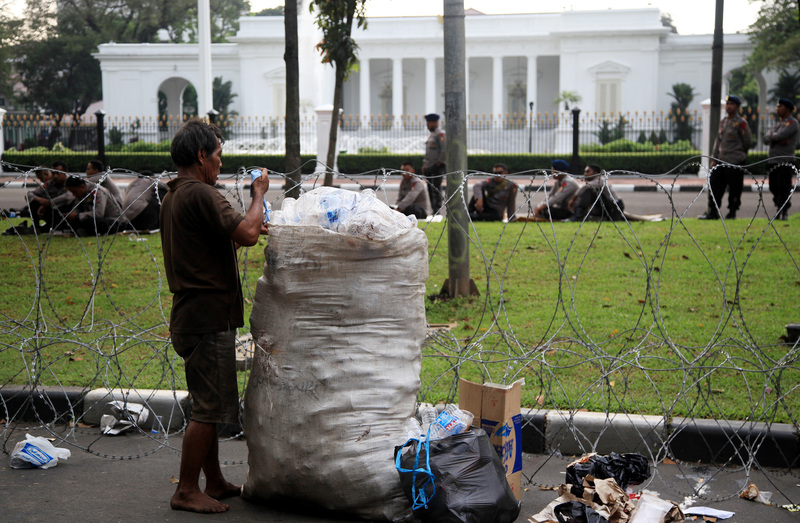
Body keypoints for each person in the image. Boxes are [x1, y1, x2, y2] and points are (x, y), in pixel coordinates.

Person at [160, 118, 269, 514]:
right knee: (209, 409)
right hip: (208, 316)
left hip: (189, 314)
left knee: (204, 401)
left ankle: (215, 481)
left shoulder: (175, 195)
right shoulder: (203, 194)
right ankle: (187, 490)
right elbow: (247, 234)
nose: (220, 163)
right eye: (218, 155)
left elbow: (214, 240)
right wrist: (258, 195)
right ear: (202, 155)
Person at [701, 95, 752, 220]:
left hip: (734, 161)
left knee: (734, 189)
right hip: (720, 160)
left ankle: (732, 212)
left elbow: (747, 142)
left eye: (732, 104)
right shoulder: (723, 122)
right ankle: (713, 212)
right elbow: (718, 142)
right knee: (714, 186)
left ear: (737, 107)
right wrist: (714, 158)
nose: (728, 106)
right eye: (727, 104)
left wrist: (739, 155)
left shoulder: (741, 123)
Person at [763, 97, 798, 221]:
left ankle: (784, 210)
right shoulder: (777, 124)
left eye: (780, 106)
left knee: (784, 186)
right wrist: (776, 138)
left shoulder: (793, 123)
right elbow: (765, 139)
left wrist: (774, 137)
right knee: (773, 186)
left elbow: (782, 135)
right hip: (773, 160)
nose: (777, 109)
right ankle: (779, 205)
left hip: (785, 160)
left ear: (787, 109)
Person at [25, 160, 75, 232]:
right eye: (53, 173)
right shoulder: (50, 183)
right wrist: (39, 199)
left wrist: (49, 203)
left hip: (64, 210)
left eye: (58, 173)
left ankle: (58, 226)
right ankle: (36, 228)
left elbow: (68, 197)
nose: (55, 176)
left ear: (65, 173)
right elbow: (29, 194)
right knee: (34, 203)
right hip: (51, 210)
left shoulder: (71, 182)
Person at [421, 113, 445, 211]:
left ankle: (437, 209)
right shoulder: (432, 134)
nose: (427, 125)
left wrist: (439, 162)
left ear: (434, 122)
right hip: (429, 166)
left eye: (428, 122)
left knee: (436, 188)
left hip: (436, 166)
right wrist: (425, 165)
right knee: (430, 188)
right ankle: (433, 209)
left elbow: (444, 150)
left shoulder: (440, 134)